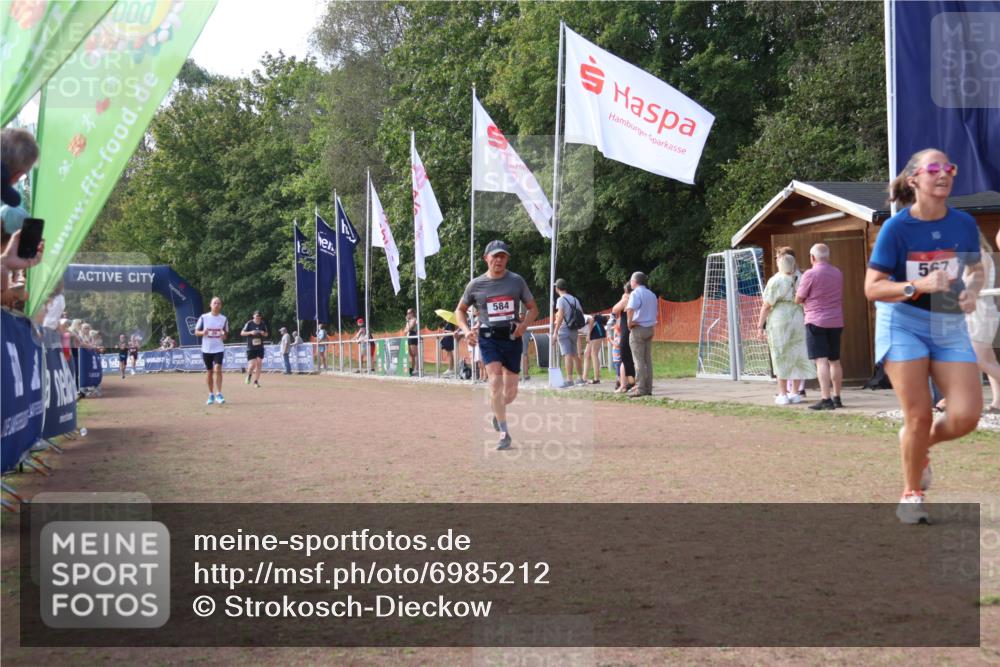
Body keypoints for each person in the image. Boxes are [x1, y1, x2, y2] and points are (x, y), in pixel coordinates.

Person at [865, 148, 984, 524]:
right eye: (934, 168)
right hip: (902, 322)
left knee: (966, 416)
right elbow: (872, 287)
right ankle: (911, 494)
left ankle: (918, 448)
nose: (944, 173)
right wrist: (916, 285)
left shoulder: (963, 223)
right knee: (917, 415)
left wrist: (972, 289)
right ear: (914, 178)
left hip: (948, 324)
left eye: (949, 167)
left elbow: (977, 269)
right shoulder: (896, 228)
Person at [456, 240, 538, 450]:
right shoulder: (475, 285)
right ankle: (504, 433)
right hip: (488, 337)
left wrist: (523, 327)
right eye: (495, 256)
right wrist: (466, 331)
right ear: (486, 259)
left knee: (511, 392)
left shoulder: (516, 281)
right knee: (495, 382)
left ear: (507, 259)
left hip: (512, 337)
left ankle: (497, 410)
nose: (499, 260)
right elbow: (460, 310)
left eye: (502, 256)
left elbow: (533, 309)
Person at [758, 254, 815, 404]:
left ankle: (782, 394)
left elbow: (766, 305)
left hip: (779, 319)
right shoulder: (801, 277)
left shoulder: (776, 280)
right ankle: (795, 393)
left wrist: (760, 326)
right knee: (797, 353)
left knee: (780, 354)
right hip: (798, 317)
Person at [796, 243, 845, 410]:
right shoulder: (838, 273)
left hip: (816, 320)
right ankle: (837, 397)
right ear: (828, 257)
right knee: (835, 361)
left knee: (821, 361)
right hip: (836, 321)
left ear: (812, 257)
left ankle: (826, 399)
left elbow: (799, 297)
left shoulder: (809, 274)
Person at [964, 232, 1000, 413]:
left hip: (981, 312)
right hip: (976, 312)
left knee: (978, 359)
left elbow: (978, 284)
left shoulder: (979, 256)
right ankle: (998, 402)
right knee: (988, 360)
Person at [626, 271, 658, 397]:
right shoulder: (651, 294)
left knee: (638, 360)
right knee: (647, 360)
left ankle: (640, 388)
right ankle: (648, 388)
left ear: (634, 281)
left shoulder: (635, 293)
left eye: (631, 280)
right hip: (650, 328)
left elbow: (630, 309)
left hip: (638, 328)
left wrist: (629, 323)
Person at [194, 296, 229, 405]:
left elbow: (226, 333)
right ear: (210, 305)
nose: (217, 305)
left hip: (219, 348)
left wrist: (224, 336)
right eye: (214, 303)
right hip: (206, 349)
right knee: (209, 372)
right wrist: (202, 333)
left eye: (219, 303)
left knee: (218, 368)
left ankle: (219, 394)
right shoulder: (204, 317)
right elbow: (196, 332)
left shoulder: (224, 319)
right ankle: (211, 395)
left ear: (221, 306)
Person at [552, 278, 585, 388]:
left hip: (564, 330)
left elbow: (560, 316)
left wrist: (555, 332)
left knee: (567, 354)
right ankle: (580, 378)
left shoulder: (561, 300)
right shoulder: (575, 299)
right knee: (575, 354)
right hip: (574, 330)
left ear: (557, 288)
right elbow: (581, 313)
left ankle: (569, 379)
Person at [611, 282, 636, 393]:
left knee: (624, 358)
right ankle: (631, 382)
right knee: (632, 358)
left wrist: (623, 299)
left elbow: (614, 309)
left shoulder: (627, 299)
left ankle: (624, 384)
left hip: (626, 330)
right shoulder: (637, 298)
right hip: (634, 328)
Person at [241, 310, 268, 387]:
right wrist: (250, 332)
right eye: (256, 316)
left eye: (259, 316)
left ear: (261, 317)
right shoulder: (249, 323)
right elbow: (242, 333)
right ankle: (249, 375)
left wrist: (263, 333)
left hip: (260, 347)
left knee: (259, 363)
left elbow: (266, 334)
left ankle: (256, 382)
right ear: (253, 316)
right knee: (252, 365)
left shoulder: (262, 324)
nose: (258, 318)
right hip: (251, 347)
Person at [583, 312, 609, 384]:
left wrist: (588, 334)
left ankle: (596, 378)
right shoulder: (568, 323)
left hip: (597, 329)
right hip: (592, 331)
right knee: (586, 354)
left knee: (594, 353)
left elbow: (591, 320)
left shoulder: (577, 317)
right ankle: (584, 378)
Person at [403, 308, 418, 376]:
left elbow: (410, 328)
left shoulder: (414, 319)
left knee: (414, 354)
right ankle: (412, 368)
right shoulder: (408, 321)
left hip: (413, 335)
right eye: (407, 313)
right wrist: (407, 324)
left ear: (412, 313)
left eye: (409, 313)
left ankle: (416, 369)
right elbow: (405, 330)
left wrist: (407, 321)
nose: (407, 314)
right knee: (411, 354)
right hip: (408, 337)